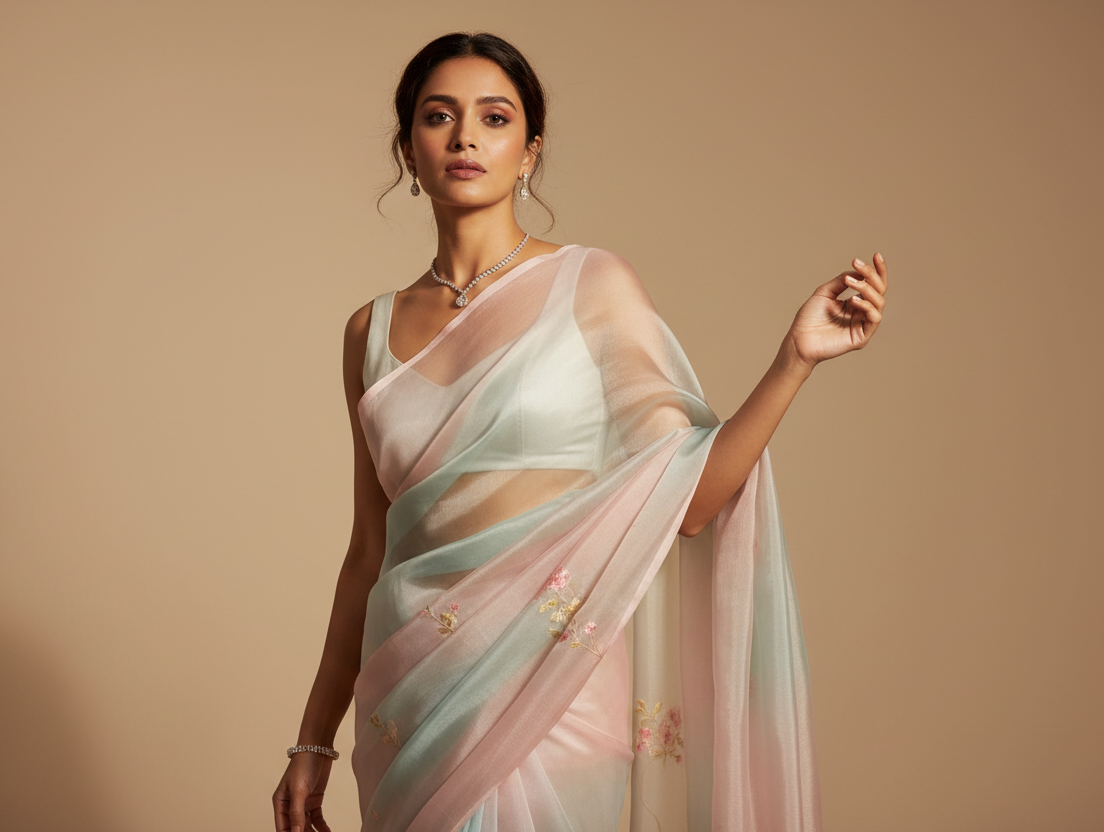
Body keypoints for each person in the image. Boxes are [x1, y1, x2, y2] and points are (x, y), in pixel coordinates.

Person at [273, 31, 887, 832]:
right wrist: (312, 741)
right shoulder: (369, 330)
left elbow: (690, 499)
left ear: (528, 152)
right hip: (410, 707)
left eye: (494, 118)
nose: (465, 136)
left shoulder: (591, 287)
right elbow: (367, 552)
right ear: (408, 148)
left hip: (552, 702)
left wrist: (793, 362)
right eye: (439, 116)